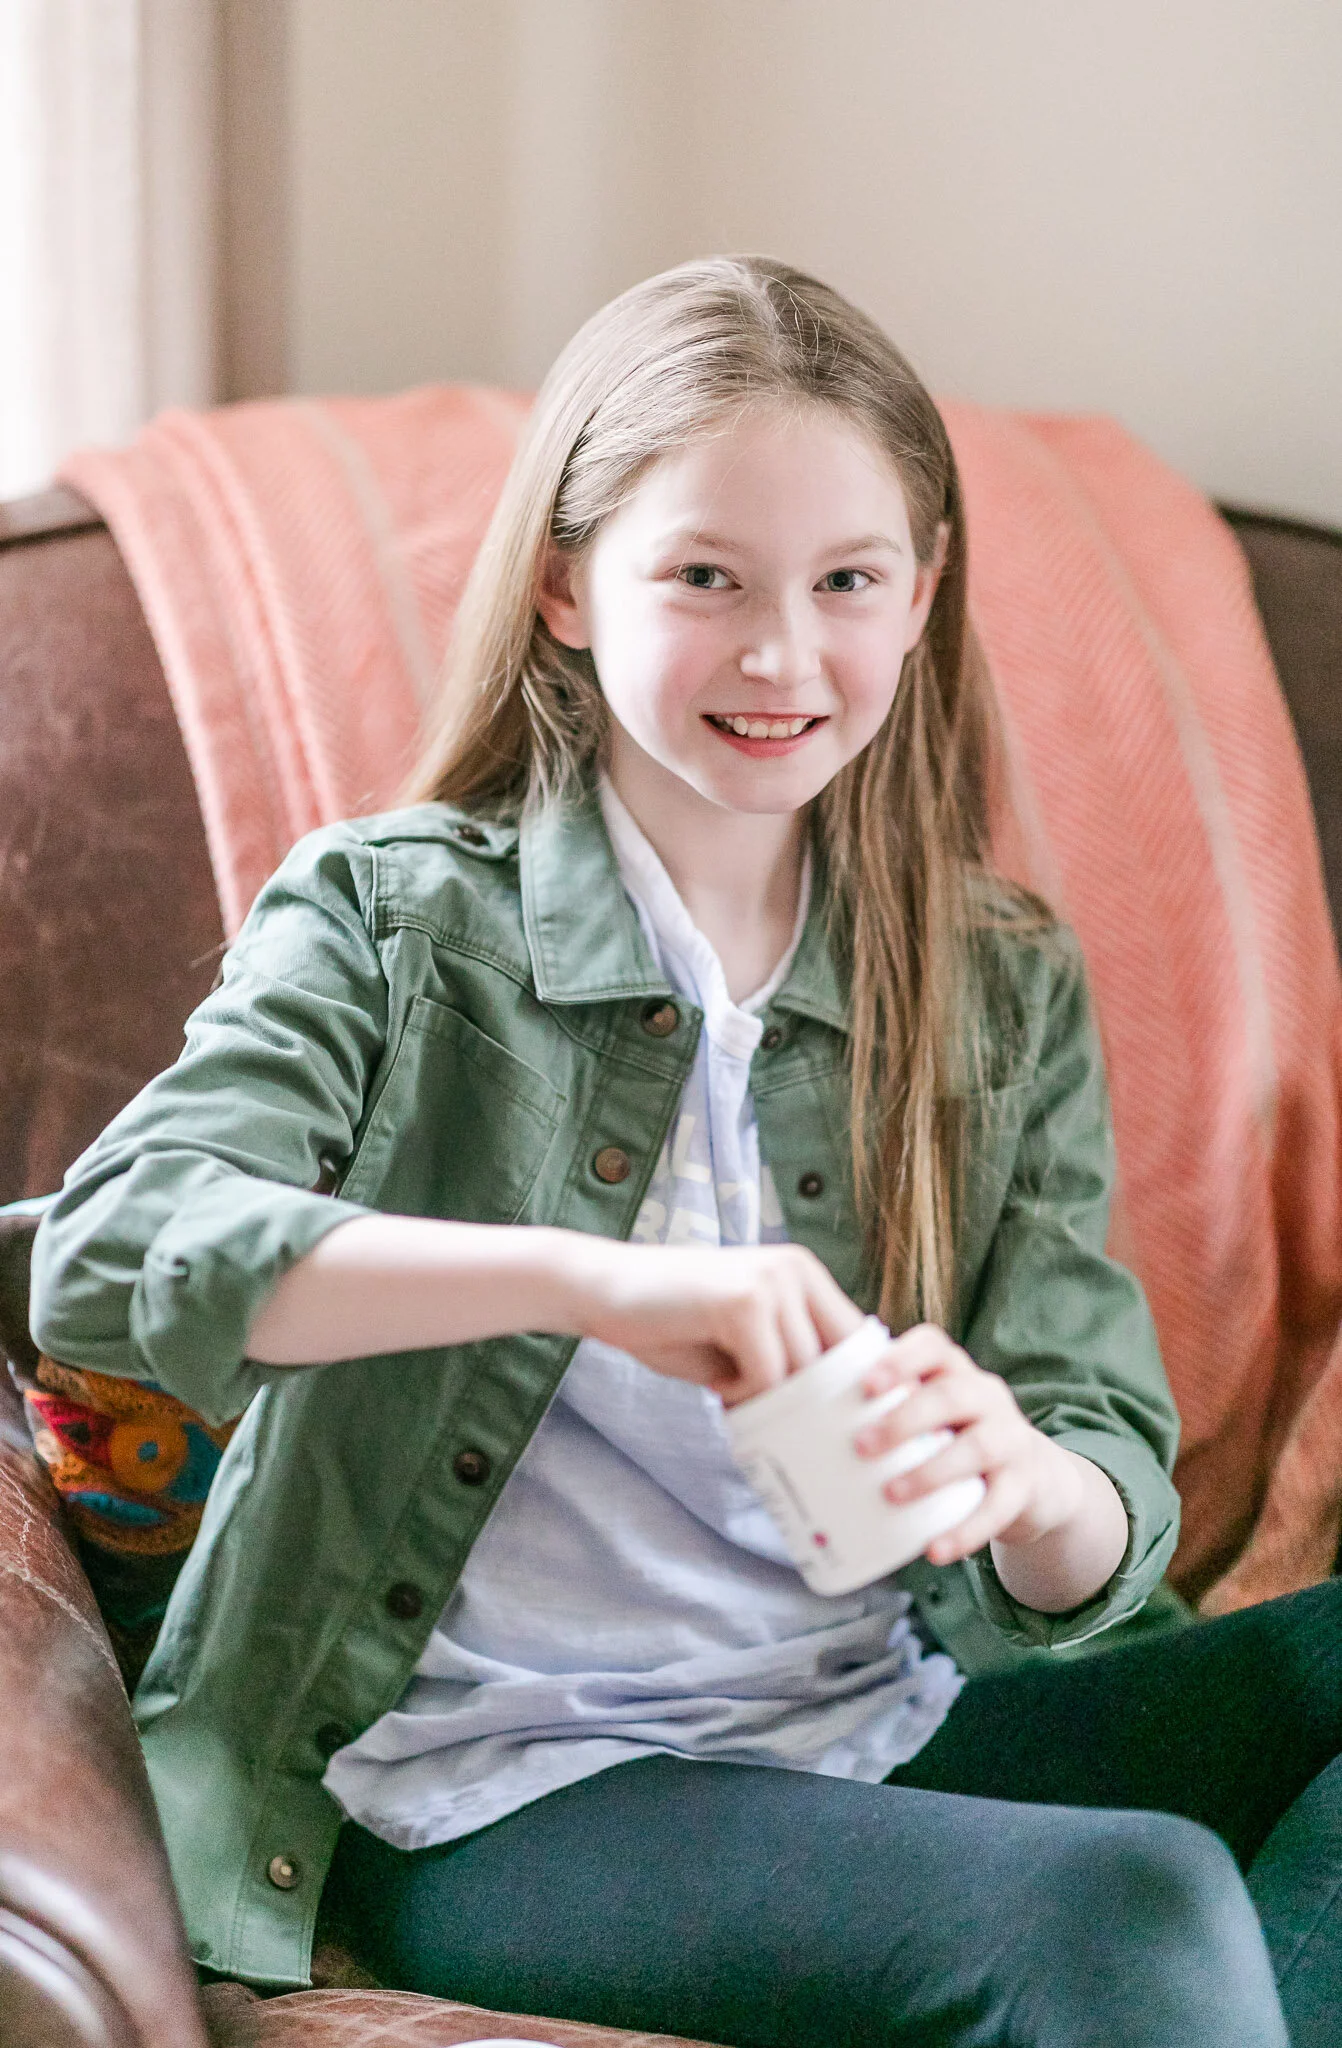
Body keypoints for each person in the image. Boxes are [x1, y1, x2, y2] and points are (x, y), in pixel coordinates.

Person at [30, 257, 1340, 2048]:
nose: (781, 653)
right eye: (704, 576)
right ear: (567, 586)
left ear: (920, 594)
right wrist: (600, 1284)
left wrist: (1016, 1482)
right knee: (1128, 1903)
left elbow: (1091, 1468)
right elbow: (112, 1249)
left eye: (845, 582)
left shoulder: (990, 982)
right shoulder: (395, 917)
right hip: (500, 1785)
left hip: (882, 1720)